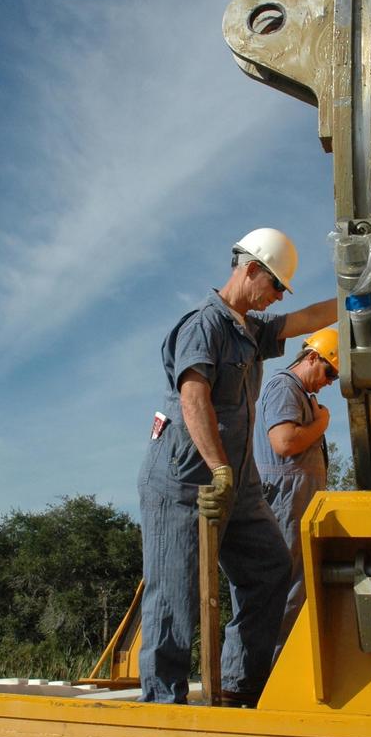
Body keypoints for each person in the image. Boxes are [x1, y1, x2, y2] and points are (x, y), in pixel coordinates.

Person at [138, 228, 338, 706]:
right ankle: (163, 704)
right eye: (273, 286)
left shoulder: (250, 327)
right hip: (185, 479)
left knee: (270, 566)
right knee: (175, 594)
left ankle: (238, 686)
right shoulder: (204, 325)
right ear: (250, 270)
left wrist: (355, 292)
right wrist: (217, 467)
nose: (275, 298)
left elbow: (303, 319)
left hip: (237, 480)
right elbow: (193, 396)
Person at [254, 327, 339, 659]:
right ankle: (268, 673)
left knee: (296, 589)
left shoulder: (303, 396)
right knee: (283, 588)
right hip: (285, 500)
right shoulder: (283, 387)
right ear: (312, 357)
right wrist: (322, 423)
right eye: (329, 371)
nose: (329, 382)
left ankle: (278, 668)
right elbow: (285, 442)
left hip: (297, 500)